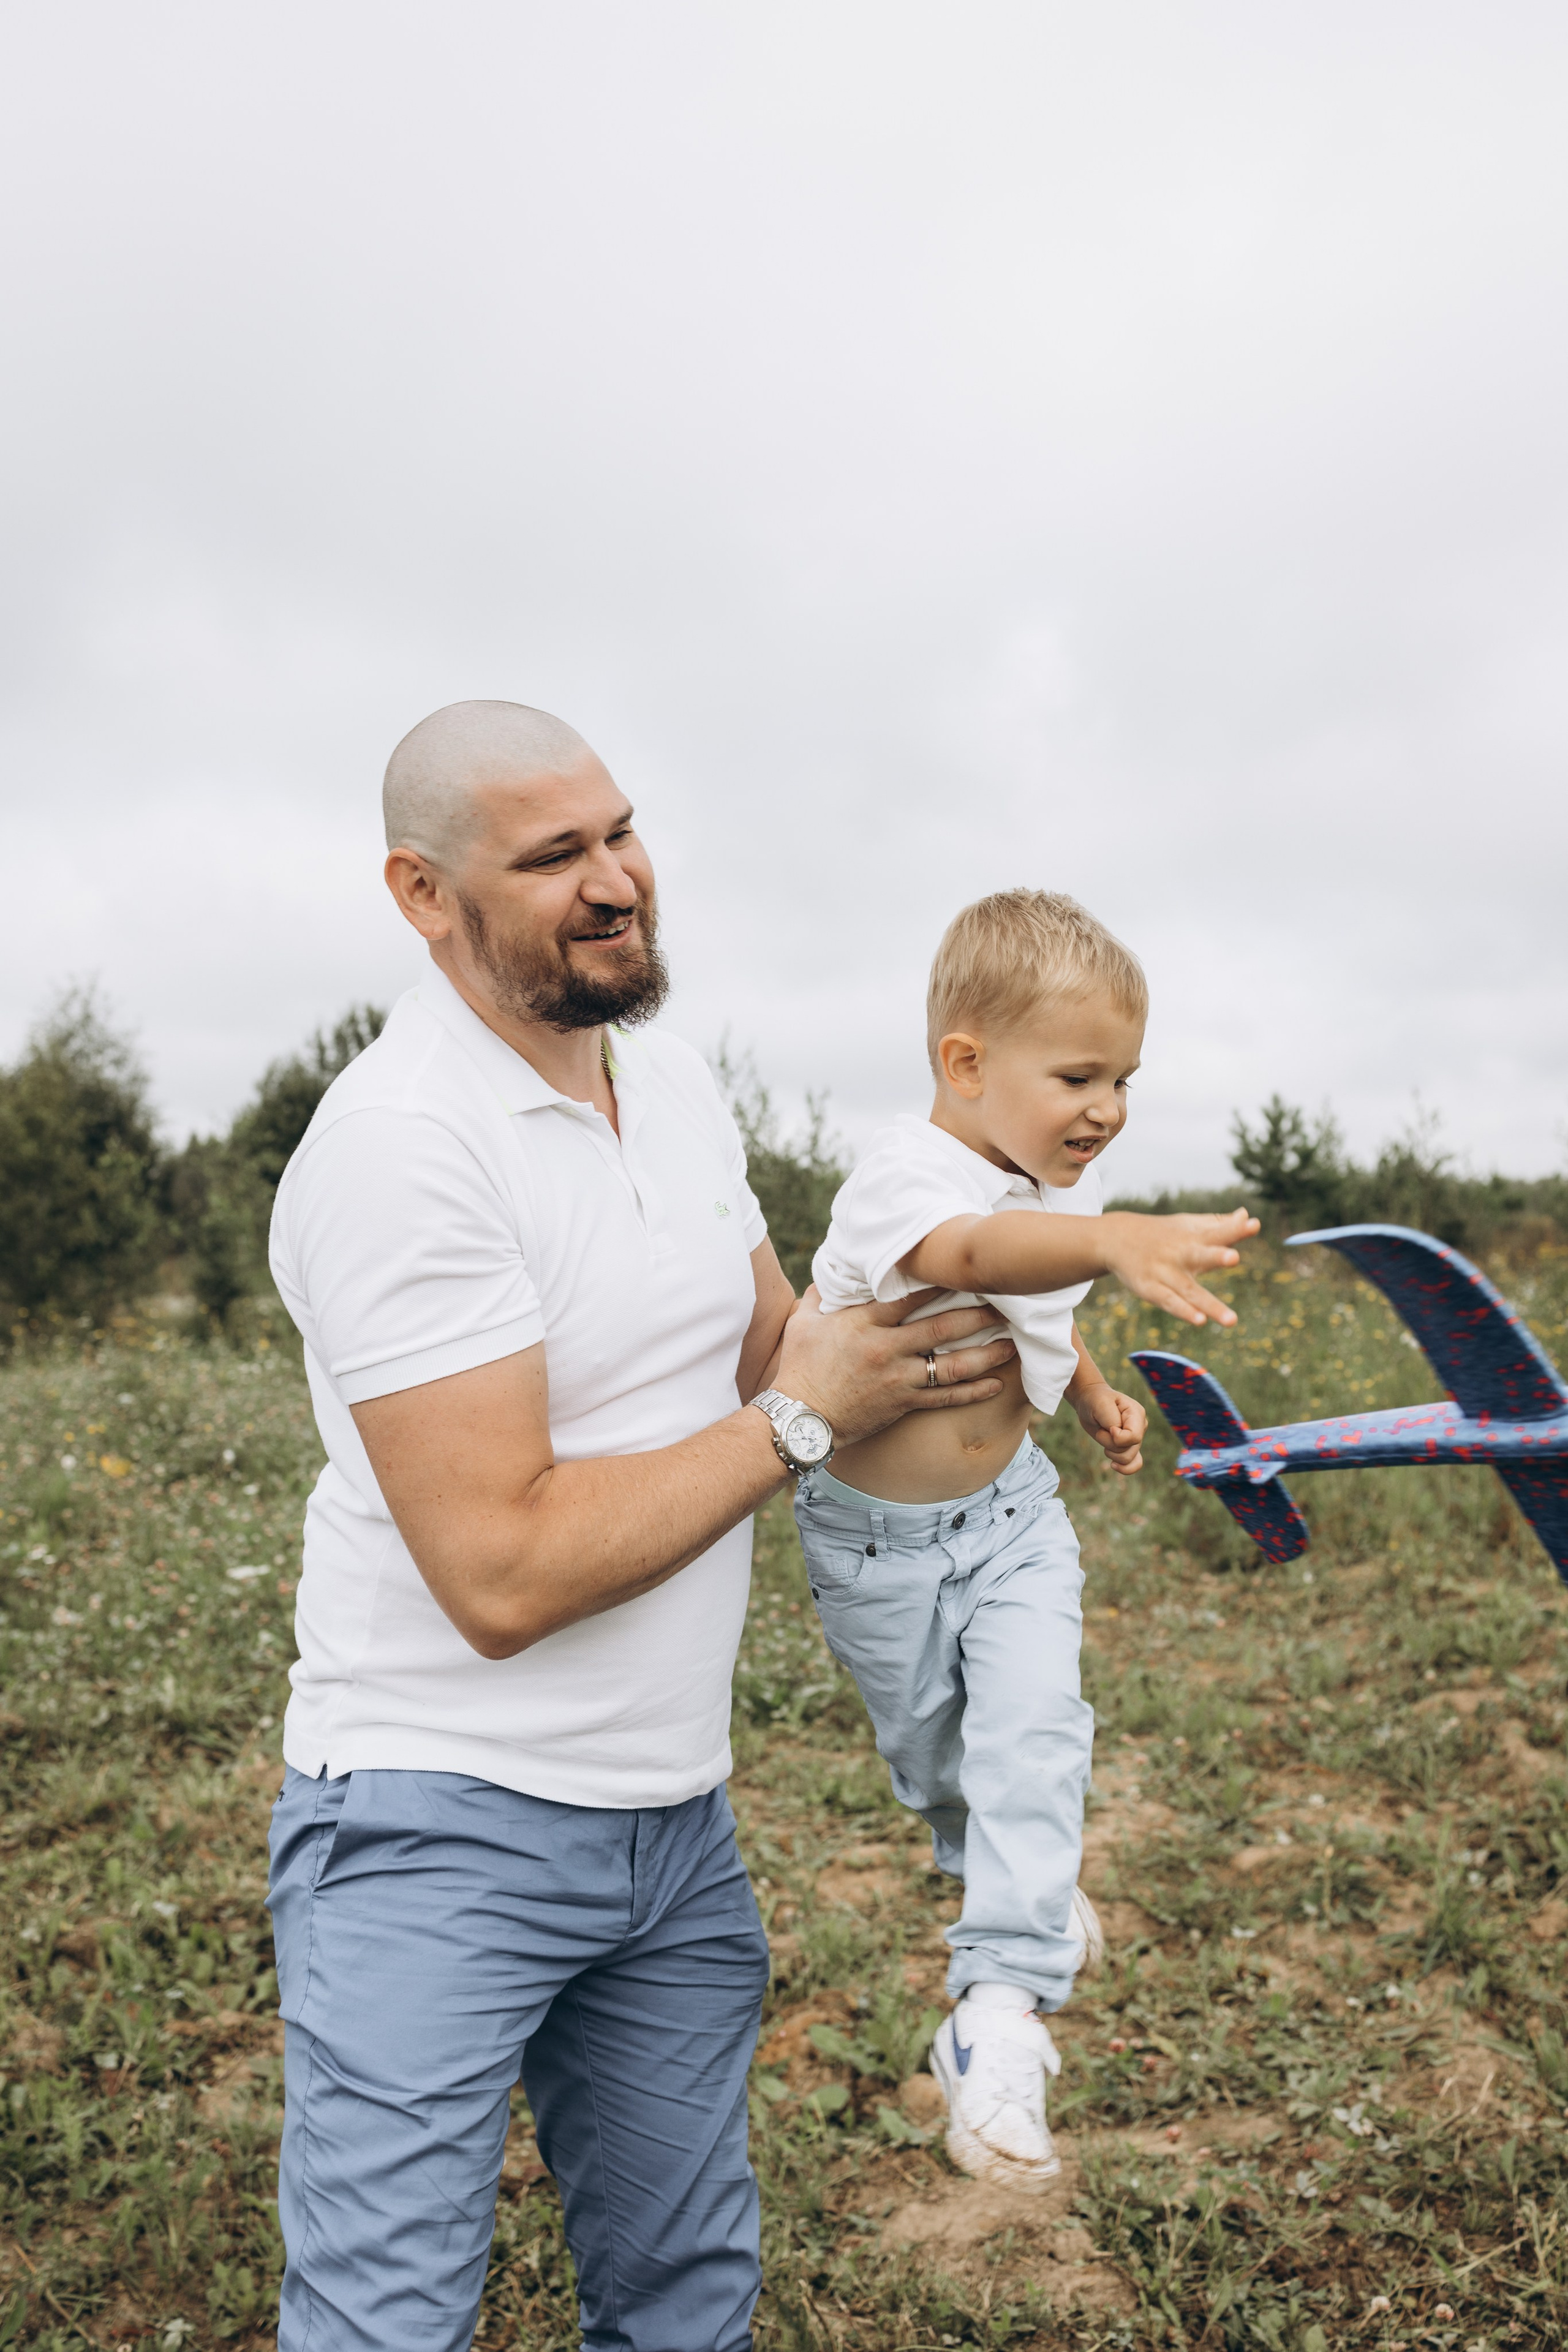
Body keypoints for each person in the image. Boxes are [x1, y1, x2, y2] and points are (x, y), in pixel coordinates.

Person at [263, 699, 1017, 2352]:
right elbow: (503, 1571)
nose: (617, 882)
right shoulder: (402, 1150)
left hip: (672, 1833)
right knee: (385, 2321)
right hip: (430, 1832)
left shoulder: (669, 1087)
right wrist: (803, 1408)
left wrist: (1021, 1311)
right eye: (554, 858)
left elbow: (775, 1363)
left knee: (685, 2304)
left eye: (620, 832)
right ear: (424, 894)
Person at [799, 889, 1257, 2187]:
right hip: (874, 1548)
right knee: (939, 1769)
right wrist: (1105, 1241)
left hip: (1010, 1532)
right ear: (964, 1063)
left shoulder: (1049, 1191)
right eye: (1076, 1075)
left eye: (1121, 1077)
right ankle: (1015, 1881)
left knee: (1030, 1730)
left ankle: (996, 2012)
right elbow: (978, 1252)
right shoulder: (912, 1178)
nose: (1105, 1107)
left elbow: (1033, 1310)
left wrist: (1094, 1391)